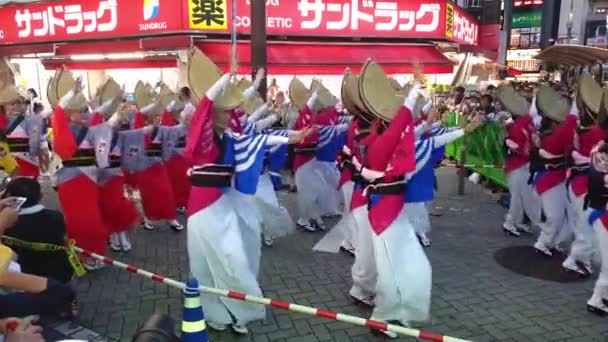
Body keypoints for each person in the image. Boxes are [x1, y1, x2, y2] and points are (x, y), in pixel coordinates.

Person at [184, 48, 314, 335]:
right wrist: (228, 77)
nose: (231, 116)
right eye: (226, 111)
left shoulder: (231, 137)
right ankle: (215, 312)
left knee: (235, 256)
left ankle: (240, 309)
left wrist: (294, 136)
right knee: (205, 263)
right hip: (202, 208)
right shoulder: (203, 137)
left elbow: (262, 139)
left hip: (220, 204)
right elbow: (205, 104)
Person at [2, 177, 73, 283]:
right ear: (40, 196)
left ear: (9, 196)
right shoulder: (56, 216)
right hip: (60, 271)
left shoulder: (6, 224)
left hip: (26, 275)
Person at [500, 86, 542, 237]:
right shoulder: (518, 127)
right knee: (517, 197)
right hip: (517, 166)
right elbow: (516, 148)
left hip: (524, 165)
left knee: (525, 195)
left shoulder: (527, 125)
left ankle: (517, 222)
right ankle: (509, 223)